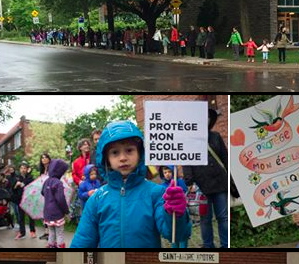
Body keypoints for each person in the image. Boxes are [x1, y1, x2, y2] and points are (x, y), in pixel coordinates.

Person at [70, 120, 190, 248]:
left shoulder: (156, 193)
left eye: (129, 150)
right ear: (106, 158)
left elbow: (176, 235)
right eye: (115, 152)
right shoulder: (97, 199)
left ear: (140, 154)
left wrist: (177, 215)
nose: (122, 158)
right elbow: (83, 240)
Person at [182, 107, 228, 249]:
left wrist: (230, 178)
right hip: (201, 186)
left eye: (207, 117)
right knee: (205, 218)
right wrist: (189, 181)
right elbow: (186, 161)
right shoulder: (189, 140)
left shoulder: (215, 136)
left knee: (223, 217)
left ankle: (225, 245)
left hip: (220, 183)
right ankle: (208, 245)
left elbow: (224, 158)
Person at [41, 158, 70, 249]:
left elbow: (42, 192)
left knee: (51, 232)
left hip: (47, 212)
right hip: (57, 213)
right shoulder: (58, 183)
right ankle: (60, 247)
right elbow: (60, 199)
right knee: (59, 232)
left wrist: (49, 195)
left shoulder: (46, 181)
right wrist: (66, 211)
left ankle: (51, 246)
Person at [12, 161, 36, 240]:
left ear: (27, 169)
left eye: (24, 168)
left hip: (29, 200)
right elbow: (13, 188)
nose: (23, 170)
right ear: (19, 169)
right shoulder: (17, 177)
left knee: (30, 217)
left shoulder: (30, 177)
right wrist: (16, 185)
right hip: (20, 200)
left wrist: (23, 184)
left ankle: (32, 231)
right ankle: (22, 232)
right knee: (21, 217)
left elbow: (31, 185)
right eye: (21, 168)